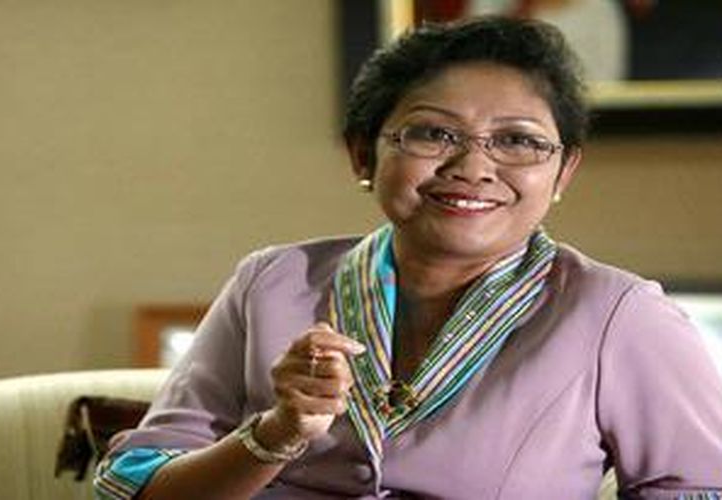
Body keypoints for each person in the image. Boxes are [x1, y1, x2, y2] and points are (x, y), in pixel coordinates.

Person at [94, 17, 722, 499]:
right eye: (433, 133)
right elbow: (136, 486)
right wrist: (273, 435)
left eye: (517, 140)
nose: (473, 167)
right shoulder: (272, 282)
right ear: (362, 154)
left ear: (563, 171)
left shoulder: (620, 314)